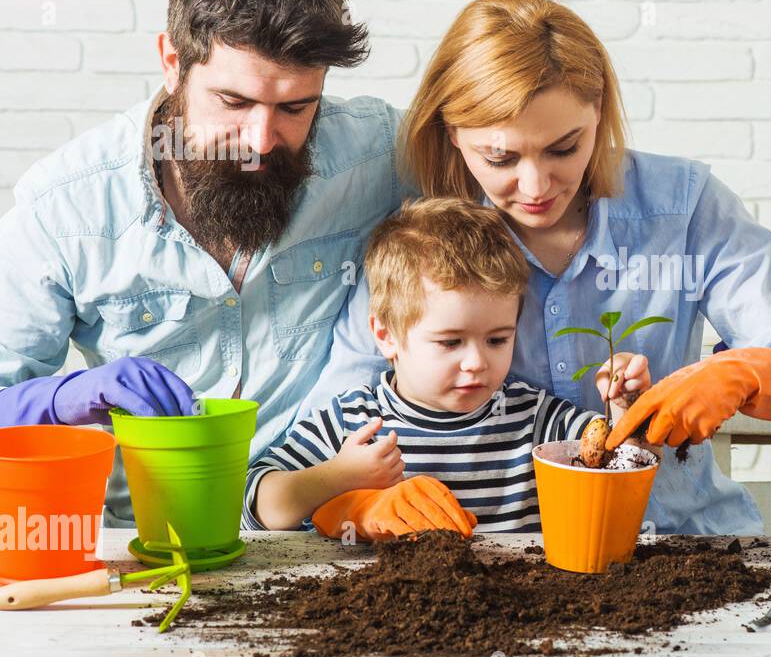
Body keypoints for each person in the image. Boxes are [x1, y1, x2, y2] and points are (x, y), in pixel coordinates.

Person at [301, 0, 771, 536]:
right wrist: (351, 503)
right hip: (505, 571)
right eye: (500, 156)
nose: (535, 186)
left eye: (564, 148)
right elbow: (324, 439)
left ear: (599, 113)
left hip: (683, 549)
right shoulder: (429, 243)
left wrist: (758, 375)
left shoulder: (684, 209)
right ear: (453, 133)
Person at [0, 0, 405, 525]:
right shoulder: (64, 208)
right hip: (146, 542)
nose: (262, 139)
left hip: (322, 525)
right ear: (172, 61)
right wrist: (65, 397)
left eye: (296, 107)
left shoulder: (376, 151)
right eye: (233, 101)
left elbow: (515, 168)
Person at [244, 198, 655, 539]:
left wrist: (624, 406)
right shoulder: (356, 422)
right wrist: (338, 477)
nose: (477, 362)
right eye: (450, 342)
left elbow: (622, 466)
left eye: (497, 340)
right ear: (386, 335)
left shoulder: (532, 420)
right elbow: (256, 506)